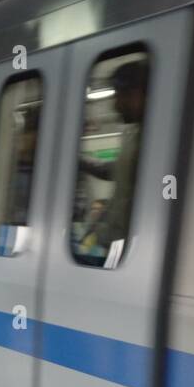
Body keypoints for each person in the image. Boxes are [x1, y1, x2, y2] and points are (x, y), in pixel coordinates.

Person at [76, 59, 149, 256]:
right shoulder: (132, 133)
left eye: (120, 96)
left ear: (138, 93)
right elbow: (114, 171)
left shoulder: (157, 139)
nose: (116, 105)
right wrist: (78, 160)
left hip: (132, 250)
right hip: (112, 242)